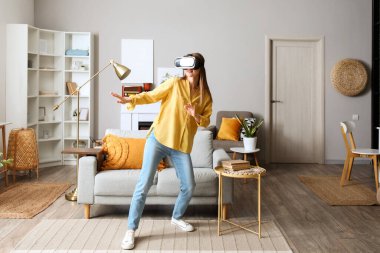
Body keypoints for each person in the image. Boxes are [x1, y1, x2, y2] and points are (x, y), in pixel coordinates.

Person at [111, 53, 213, 250]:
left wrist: (196, 114)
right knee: (144, 184)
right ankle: (130, 230)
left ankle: (176, 217)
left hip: (181, 146)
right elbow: (151, 95)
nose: (188, 69)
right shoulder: (174, 83)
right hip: (158, 139)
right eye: (185, 66)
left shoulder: (205, 95)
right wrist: (129, 100)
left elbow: (207, 120)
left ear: (199, 67)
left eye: (191, 66)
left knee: (189, 186)